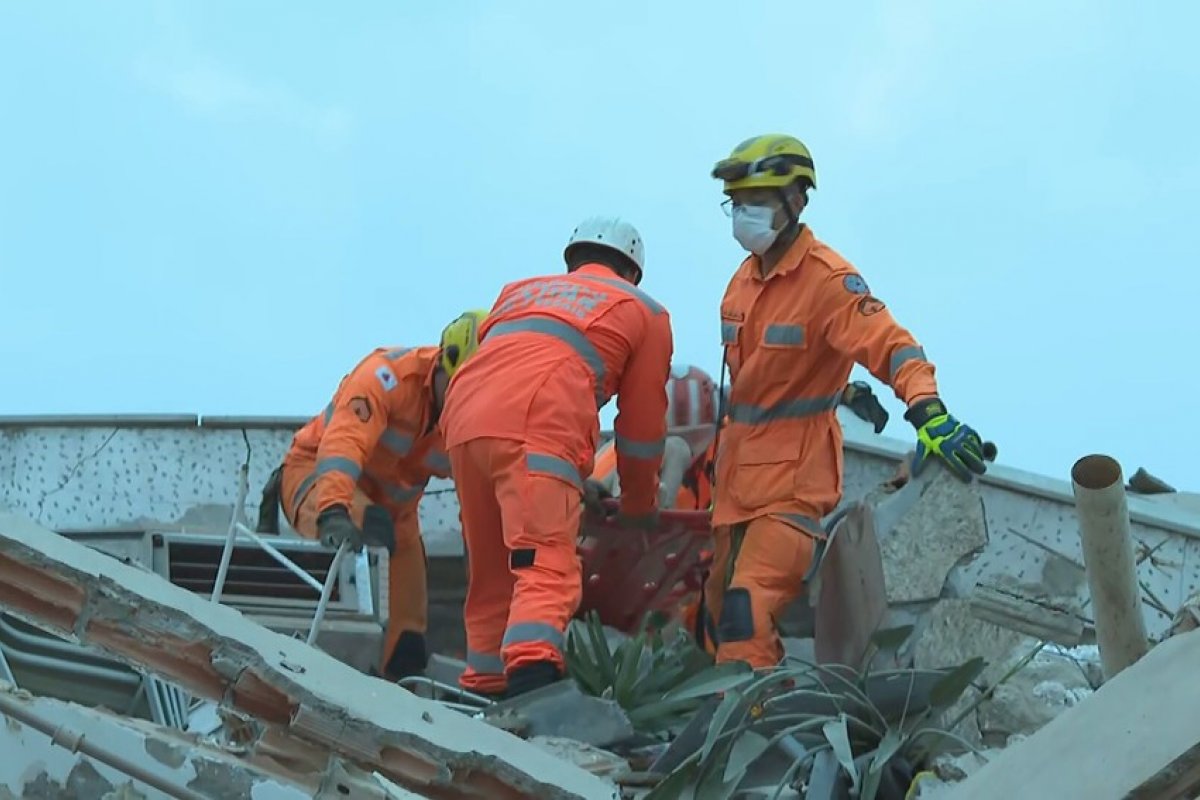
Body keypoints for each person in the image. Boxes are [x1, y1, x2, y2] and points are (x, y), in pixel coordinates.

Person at [704, 133, 989, 669]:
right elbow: (758, 385)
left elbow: (892, 345)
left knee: (746, 614)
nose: (743, 214)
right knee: (714, 616)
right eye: (736, 202)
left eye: (756, 201)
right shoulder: (742, 283)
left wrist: (929, 411)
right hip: (734, 486)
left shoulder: (828, 282)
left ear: (796, 201)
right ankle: (742, 714)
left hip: (791, 486)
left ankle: (751, 731)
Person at [439, 215, 674, 698]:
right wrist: (638, 507)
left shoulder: (517, 292)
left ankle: (484, 684)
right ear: (632, 271)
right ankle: (532, 678)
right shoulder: (645, 310)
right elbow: (641, 431)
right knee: (543, 560)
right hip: (539, 424)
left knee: (491, 570)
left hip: (464, 422)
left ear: (573, 260)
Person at [271, 310, 487, 681]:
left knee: (408, 640)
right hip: (316, 479)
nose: (465, 407)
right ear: (447, 364)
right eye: (463, 392)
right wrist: (335, 509)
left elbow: (495, 479)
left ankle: (397, 696)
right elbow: (344, 444)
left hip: (395, 519)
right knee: (363, 525)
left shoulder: (475, 420)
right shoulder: (386, 377)